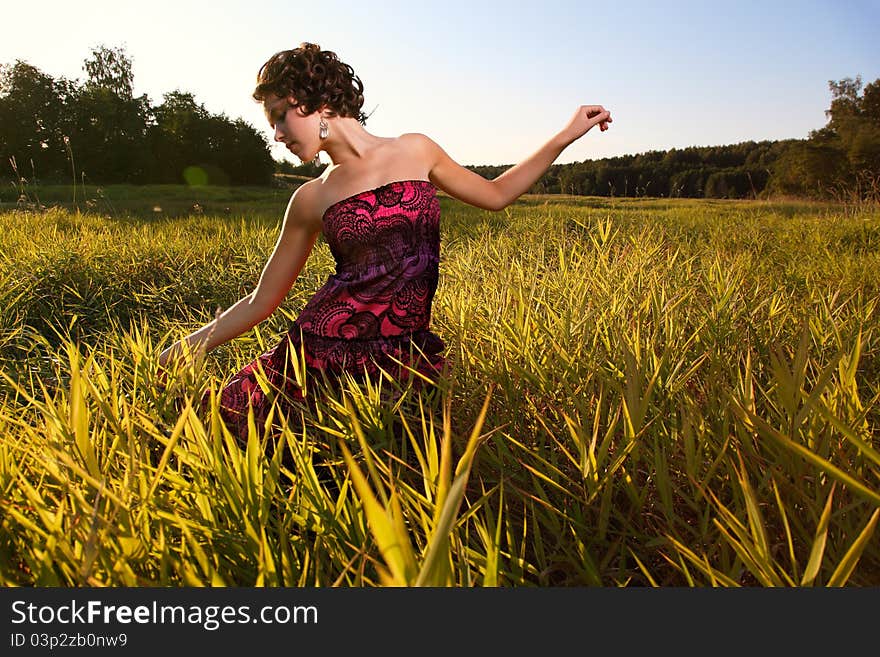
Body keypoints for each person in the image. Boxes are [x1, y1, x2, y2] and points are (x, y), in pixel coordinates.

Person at [158, 42, 612, 441]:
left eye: (280, 115)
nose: (276, 134)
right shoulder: (310, 197)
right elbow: (263, 299)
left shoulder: (415, 149)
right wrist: (191, 345)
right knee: (245, 439)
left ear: (313, 102)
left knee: (407, 468)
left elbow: (496, 194)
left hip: (406, 349)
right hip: (323, 352)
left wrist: (565, 136)